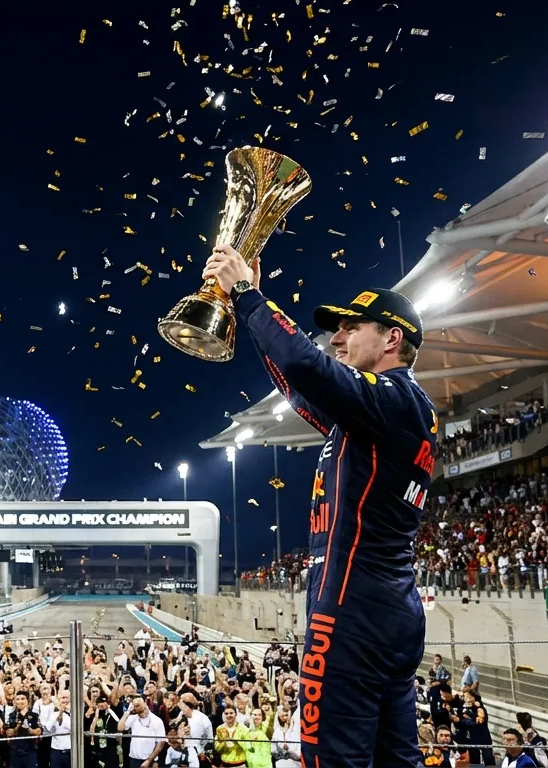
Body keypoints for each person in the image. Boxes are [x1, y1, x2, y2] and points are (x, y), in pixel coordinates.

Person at [202, 246, 436, 768]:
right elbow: (299, 382)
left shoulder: (393, 400)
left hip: (349, 613)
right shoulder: (385, 412)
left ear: (392, 338)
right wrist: (247, 312)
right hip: (391, 610)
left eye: (352, 328)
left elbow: (307, 365)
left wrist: (247, 293)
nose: (337, 338)